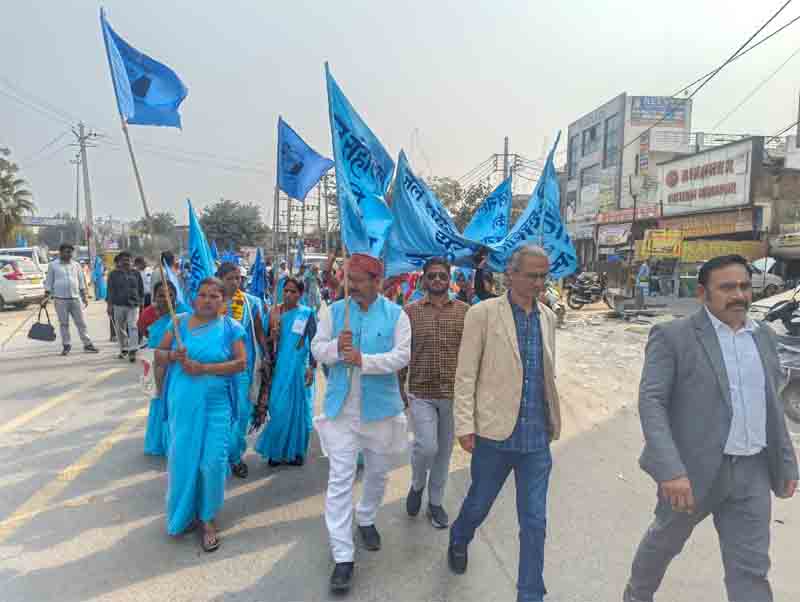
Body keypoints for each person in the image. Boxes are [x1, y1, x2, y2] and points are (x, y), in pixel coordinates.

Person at [623, 255, 798, 602]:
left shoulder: (763, 336)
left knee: (751, 569)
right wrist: (670, 470)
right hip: (691, 472)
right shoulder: (673, 336)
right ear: (703, 292)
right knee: (664, 544)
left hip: (752, 472)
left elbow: (772, 405)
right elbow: (652, 402)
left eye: (745, 286)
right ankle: (636, 595)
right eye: (727, 287)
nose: (739, 295)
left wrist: (787, 462)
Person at [448, 244, 561, 602]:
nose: (539, 283)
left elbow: (546, 373)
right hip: (494, 436)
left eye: (544, 276)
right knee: (479, 503)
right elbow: (466, 374)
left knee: (534, 522)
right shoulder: (482, 314)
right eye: (532, 275)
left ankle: (530, 594)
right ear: (510, 274)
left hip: (536, 439)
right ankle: (459, 538)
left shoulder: (548, 317)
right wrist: (464, 426)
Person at [311, 253, 411, 594]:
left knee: (378, 474)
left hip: (380, 412)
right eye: (347, 280)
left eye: (356, 281)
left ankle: (366, 517)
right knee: (339, 479)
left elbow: (402, 356)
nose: (349, 286)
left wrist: (363, 360)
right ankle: (343, 556)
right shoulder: (333, 312)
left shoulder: (397, 315)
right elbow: (316, 348)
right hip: (341, 413)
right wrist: (337, 350)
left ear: (376, 282)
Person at [156, 277, 247, 552]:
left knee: (213, 462)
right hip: (183, 403)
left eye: (214, 296)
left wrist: (204, 369)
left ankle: (208, 518)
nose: (208, 300)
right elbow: (157, 354)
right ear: (194, 297)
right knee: (183, 459)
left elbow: (241, 364)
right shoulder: (179, 323)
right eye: (203, 295)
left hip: (216, 404)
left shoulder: (231, 327)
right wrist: (173, 356)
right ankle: (185, 513)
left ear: (223, 301)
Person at [400, 257, 469, 530]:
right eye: (432, 276)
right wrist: (399, 388)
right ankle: (417, 484)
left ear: (449, 279)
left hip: (453, 393)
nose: (437, 280)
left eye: (442, 276)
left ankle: (436, 502)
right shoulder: (410, 312)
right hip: (421, 391)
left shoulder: (465, 312)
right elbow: (402, 353)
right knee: (427, 446)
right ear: (424, 280)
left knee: (443, 454)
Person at [255, 277, 316, 466]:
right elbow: (263, 339)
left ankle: (296, 452)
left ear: (301, 294)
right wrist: (272, 337)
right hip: (278, 368)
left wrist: (311, 367)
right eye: (286, 291)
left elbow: (315, 342)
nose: (289, 294)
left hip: (298, 368)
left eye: (293, 291)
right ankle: (275, 451)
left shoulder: (307, 313)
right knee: (278, 409)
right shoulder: (274, 312)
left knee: (299, 411)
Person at [218, 262, 269, 479]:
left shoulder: (251, 302)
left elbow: (259, 332)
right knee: (220, 415)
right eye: (229, 278)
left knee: (240, 414)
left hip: (242, 367)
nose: (235, 282)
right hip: (216, 368)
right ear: (219, 279)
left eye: (238, 278)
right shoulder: (211, 302)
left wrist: (266, 357)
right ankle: (219, 457)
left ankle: (236, 457)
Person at [141, 280, 187, 457]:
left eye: (170, 294)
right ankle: (159, 442)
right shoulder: (150, 316)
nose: (166, 298)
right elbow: (148, 342)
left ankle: (175, 443)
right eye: (161, 295)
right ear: (154, 298)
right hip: (157, 368)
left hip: (176, 369)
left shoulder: (183, 317)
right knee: (158, 403)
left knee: (174, 406)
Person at [42, 243, 99, 356]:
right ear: (61, 252)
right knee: (64, 324)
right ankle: (66, 345)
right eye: (66, 252)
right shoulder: (53, 265)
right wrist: (46, 296)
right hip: (60, 299)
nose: (68, 254)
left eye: (70, 252)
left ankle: (87, 344)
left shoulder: (76, 265)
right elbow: (49, 282)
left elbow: (81, 281)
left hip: (75, 298)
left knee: (81, 323)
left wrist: (84, 295)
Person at [107, 251, 145, 363]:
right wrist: (109, 305)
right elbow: (110, 291)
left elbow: (141, 289)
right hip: (118, 304)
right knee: (119, 328)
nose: (126, 262)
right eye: (123, 260)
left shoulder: (136, 273)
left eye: (128, 260)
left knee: (133, 326)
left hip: (133, 305)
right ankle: (124, 348)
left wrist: (142, 304)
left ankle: (133, 350)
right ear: (119, 261)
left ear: (131, 261)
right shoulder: (113, 274)